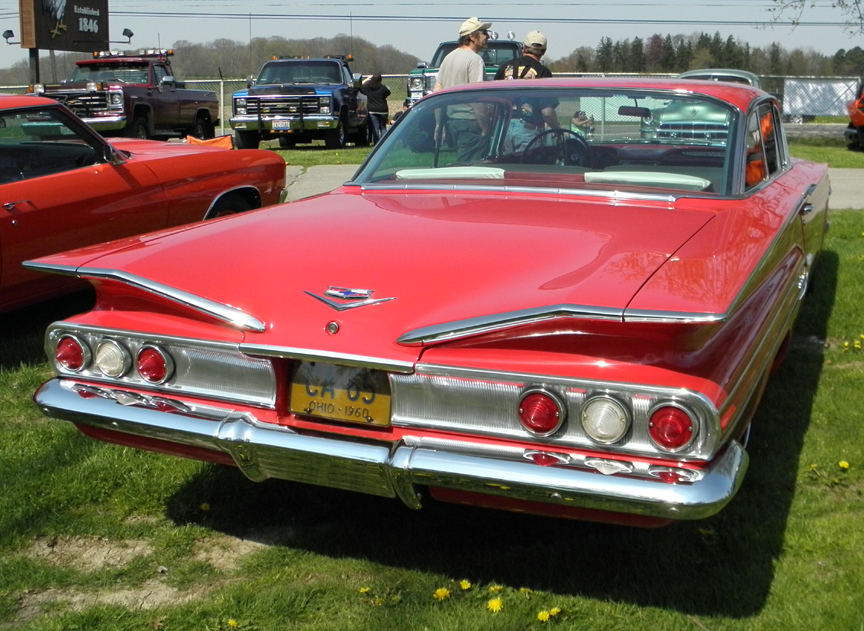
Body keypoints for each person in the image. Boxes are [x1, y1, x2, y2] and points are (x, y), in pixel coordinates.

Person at [433, 17, 492, 162]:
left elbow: (437, 92)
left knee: (462, 163)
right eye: (484, 32)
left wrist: (439, 124)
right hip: (471, 123)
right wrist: (485, 127)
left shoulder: (448, 58)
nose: (488, 36)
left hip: (452, 122)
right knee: (470, 168)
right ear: (472, 36)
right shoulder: (475, 60)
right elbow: (477, 97)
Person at [494, 30, 560, 153]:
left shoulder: (504, 68)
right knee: (527, 169)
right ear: (543, 51)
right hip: (528, 130)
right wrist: (557, 129)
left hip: (502, 129)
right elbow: (547, 112)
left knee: (505, 170)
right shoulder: (542, 72)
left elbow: (492, 103)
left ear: (523, 48)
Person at [360, 74, 391, 144]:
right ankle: (384, 142)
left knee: (375, 127)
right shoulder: (383, 88)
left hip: (372, 111)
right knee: (383, 127)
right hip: (383, 110)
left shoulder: (368, 88)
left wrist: (367, 79)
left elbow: (360, 87)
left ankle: (376, 143)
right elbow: (388, 92)